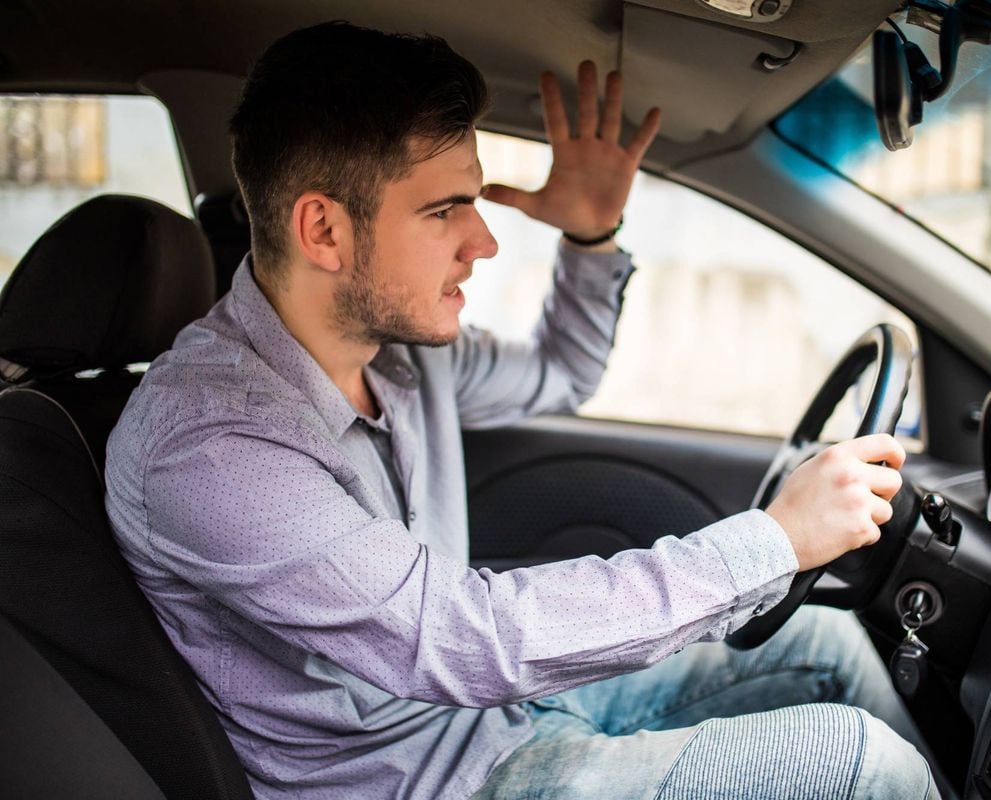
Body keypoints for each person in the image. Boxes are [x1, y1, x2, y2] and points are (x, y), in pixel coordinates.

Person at [105, 21, 939, 800]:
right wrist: (775, 540)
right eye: (443, 211)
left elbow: (561, 373)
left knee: (827, 644)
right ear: (324, 231)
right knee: (864, 766)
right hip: (427, 781)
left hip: (493, 714)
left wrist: (591, 237)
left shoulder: (394, 351)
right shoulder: (208, 445)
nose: (484, 240)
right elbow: (462, 640)